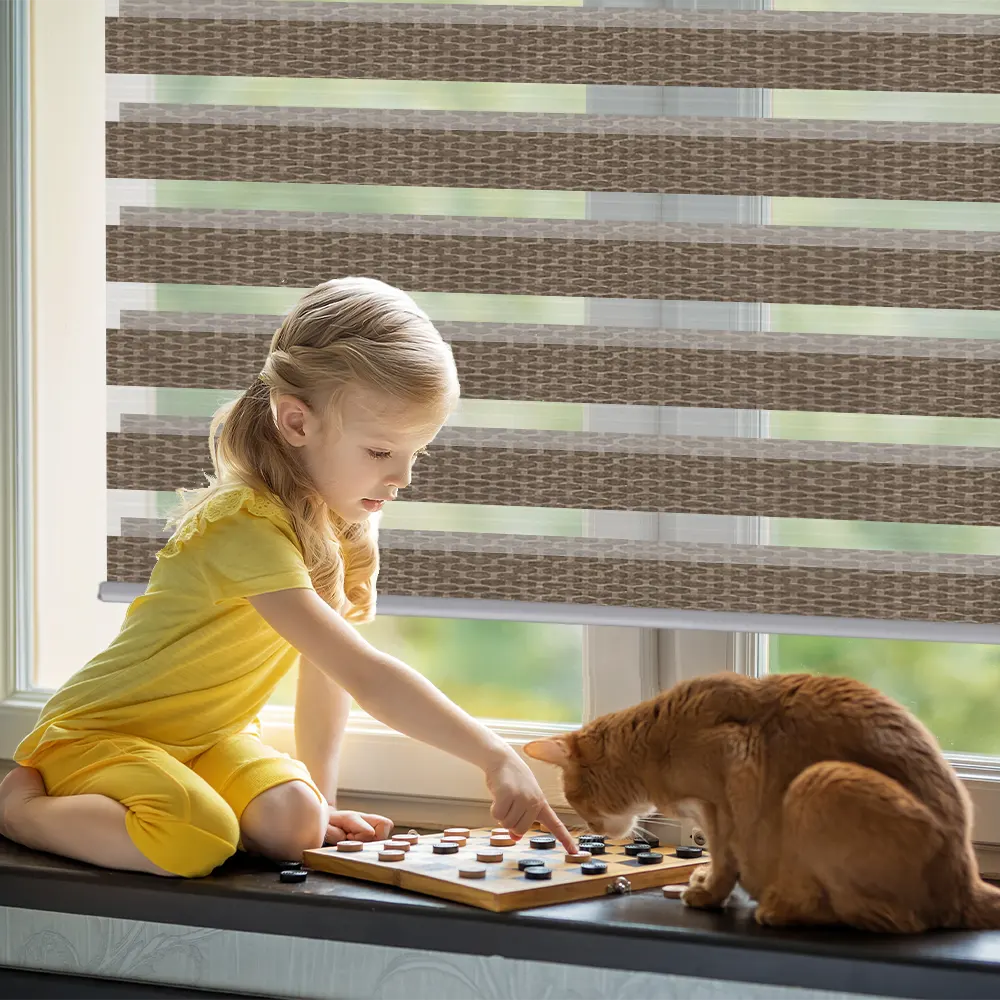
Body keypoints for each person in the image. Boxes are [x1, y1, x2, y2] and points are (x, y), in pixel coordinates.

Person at [0, 277, 575, 878]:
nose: (402, 477)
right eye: (381, 452)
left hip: (209, 740)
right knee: (195, 839)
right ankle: (21, 809)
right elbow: (365, 673)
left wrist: (324, 801)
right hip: (101, 734)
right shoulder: (243, 524)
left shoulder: (336, 525)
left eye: (417, 453)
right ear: (296, 422)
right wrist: (494, 755)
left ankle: (201, 801)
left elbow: (329, 676)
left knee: (299, 825)